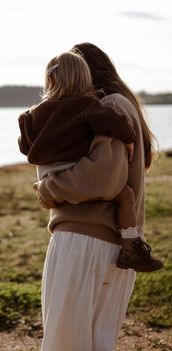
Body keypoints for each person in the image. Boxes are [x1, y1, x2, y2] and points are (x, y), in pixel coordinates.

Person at [28, 43, 163, 351]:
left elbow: (103, 177)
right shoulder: (118, 107)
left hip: (85, 240)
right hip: (112, 242)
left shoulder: (107, 107)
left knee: (65, 345)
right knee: (96, 346)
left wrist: (47, 189)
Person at [18, 51, 162, 273]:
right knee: (126, 196)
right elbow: (112, 123)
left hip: (49, 175)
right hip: (74, 177)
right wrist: (129, 137)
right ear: (85, 79)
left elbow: (25, 146)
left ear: (50, 79)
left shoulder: (30, 115)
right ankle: (131, 245)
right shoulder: (88, 106)